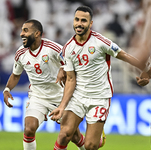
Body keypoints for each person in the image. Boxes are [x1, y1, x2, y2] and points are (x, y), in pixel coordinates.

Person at [49, 6, 151, 150]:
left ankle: (97, 139)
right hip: (78, 96)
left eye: (84, 21)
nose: (79, 23)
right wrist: (62, 106)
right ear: (73, 21)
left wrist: (146, 69)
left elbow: (124, 55)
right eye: (77, 20)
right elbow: (71, 80)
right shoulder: (68, 48)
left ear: (90, 23)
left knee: (91, 146)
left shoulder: (100, 42)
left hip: (99, 97)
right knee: (64, 135)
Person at [3, 19, 89, 150]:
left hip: (60, 96)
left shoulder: (52, 48)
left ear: (37, 33)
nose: (21, 34)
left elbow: (72, 61)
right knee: (29, 128)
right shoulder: (20, 53)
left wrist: (62, 69)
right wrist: (7, 89)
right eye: (21, 30)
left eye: (25, 30)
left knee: (72, 136)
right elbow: (15, 75)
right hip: (38, 97)